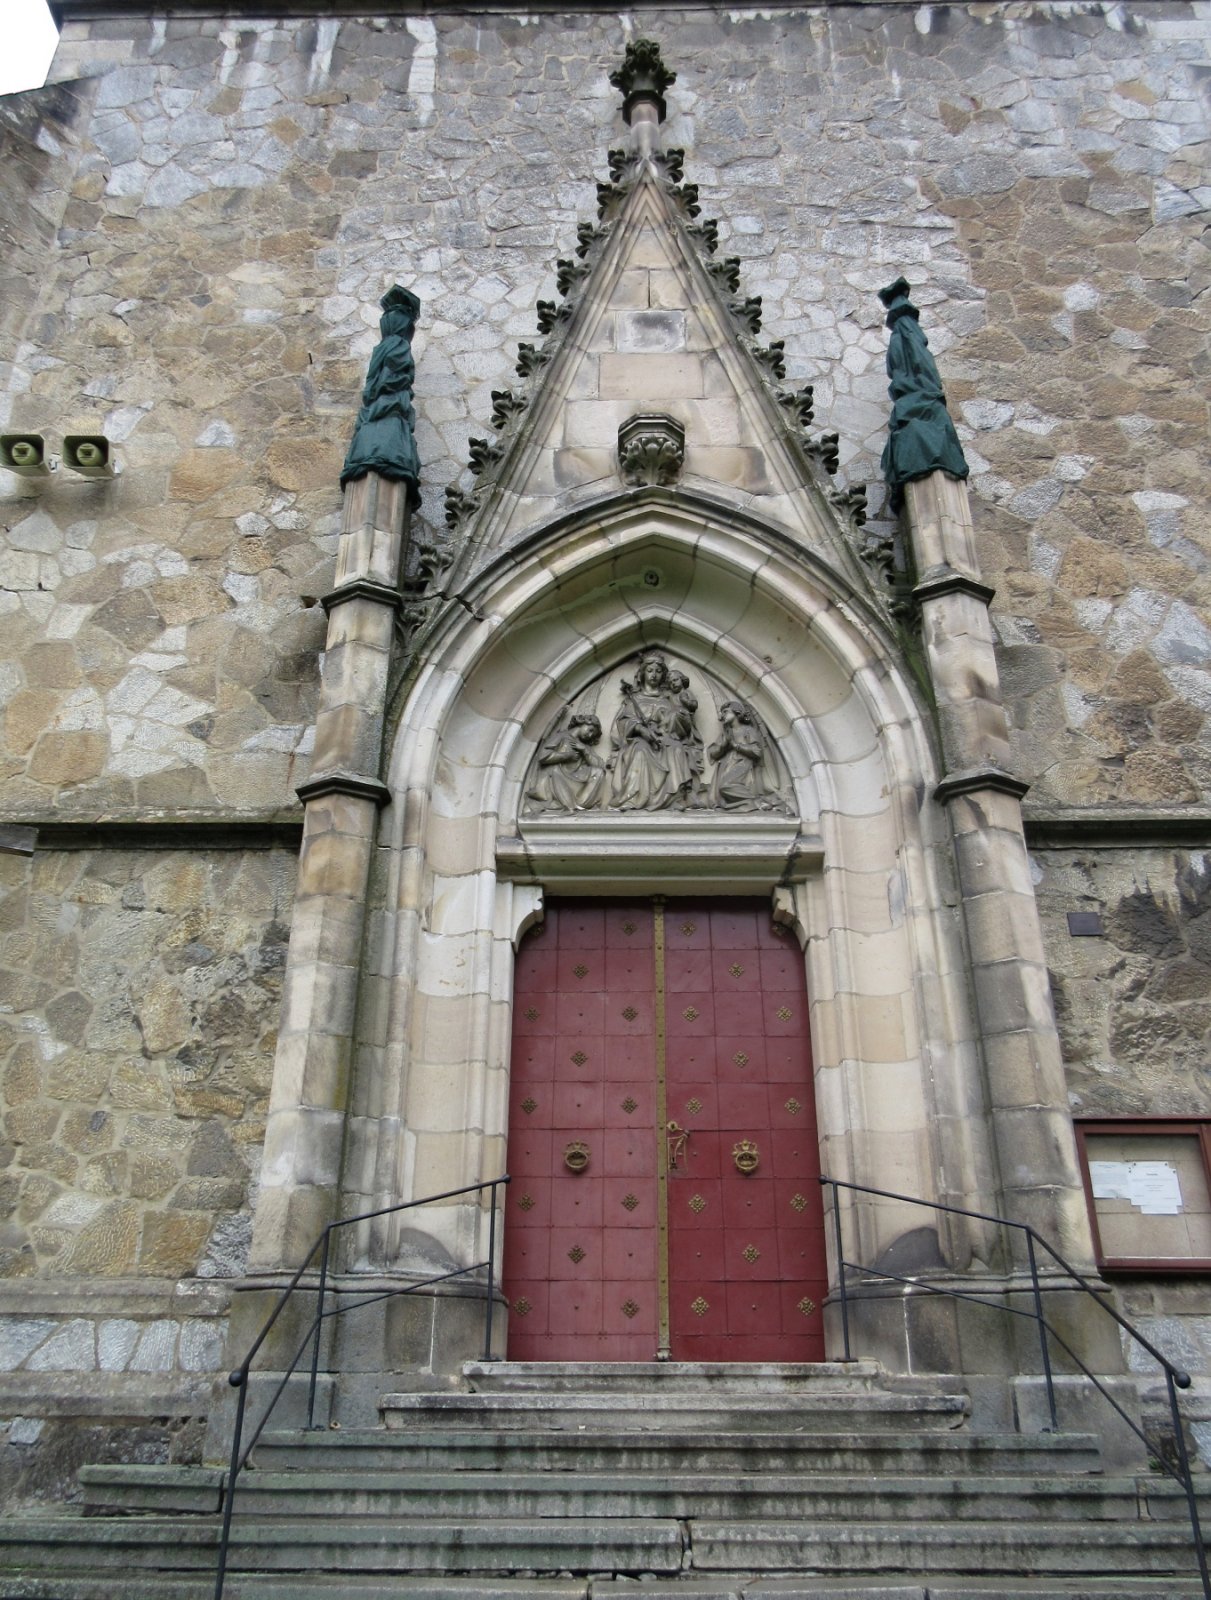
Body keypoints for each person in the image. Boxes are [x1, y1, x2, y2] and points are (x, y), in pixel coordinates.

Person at [609, 653, 697, 811]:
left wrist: (672, 723)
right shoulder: (634, 699)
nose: (654, 674)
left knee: (676, 748)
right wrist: (641, 729)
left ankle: (674, 797)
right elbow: (622, 722)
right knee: (640, 750)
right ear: (643, 673)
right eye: (650, 670)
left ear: (663, 675)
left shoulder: (668, 699)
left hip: (664, 738)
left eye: (658, 671)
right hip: (640, 740)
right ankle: (633, 797)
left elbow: (681, 724)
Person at [708, 699, 786, 811]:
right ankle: (749, 803)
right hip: (727, 765)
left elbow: (757, 751)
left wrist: (736, 745)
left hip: (743, 764)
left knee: (726, 786)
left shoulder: (748, 730)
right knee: (723, 791)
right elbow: (713, 754)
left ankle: (758, 800)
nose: (722, 715)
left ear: (736, 712)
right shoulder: (726, 734)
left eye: (726, 712)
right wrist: (724, 746)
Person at [525, 713, 606, 812]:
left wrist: (584, 751)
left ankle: (581, 805)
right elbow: (543, 756)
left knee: (598, 773)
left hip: (576, 777)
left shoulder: (584, 746)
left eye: (592, 735)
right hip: (558, 777)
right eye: (590, 730)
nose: (590, 735)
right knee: (554, 770)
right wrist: (567, 756)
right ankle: (569, 805)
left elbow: (600, 766)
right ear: (583, 722)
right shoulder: (562, 736)